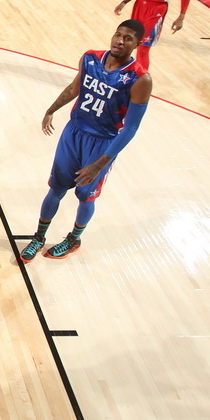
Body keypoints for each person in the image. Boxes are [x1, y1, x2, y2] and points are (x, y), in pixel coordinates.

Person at [20, 20, 152, 263]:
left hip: (102, 143)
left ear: (138, 43)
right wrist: (51, 109)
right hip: (73, 133)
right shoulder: (90, 58)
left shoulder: (140, 79)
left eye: (128, 38)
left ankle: (74, 239)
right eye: (117, 35)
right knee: (55, 188)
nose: (120, 41)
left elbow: (130, 128)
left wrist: (100, 164)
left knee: (85, 195)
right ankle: (39, 237)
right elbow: (73, 89)